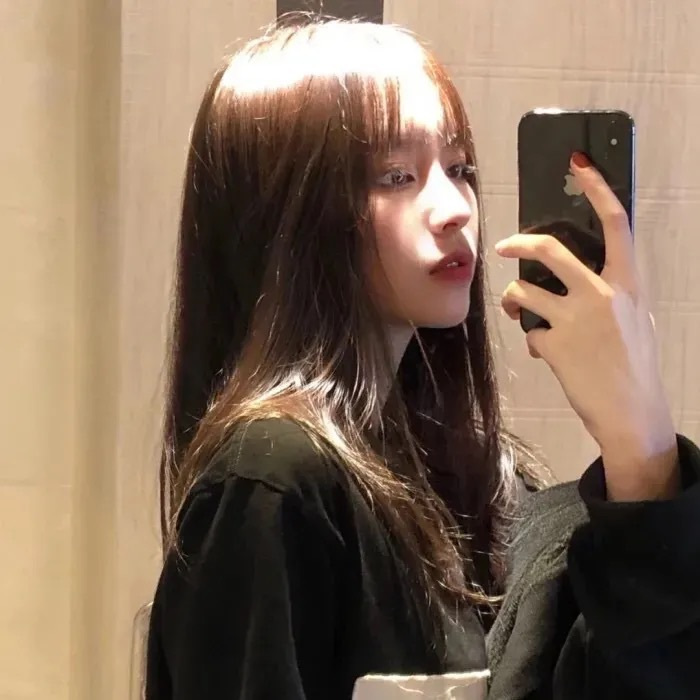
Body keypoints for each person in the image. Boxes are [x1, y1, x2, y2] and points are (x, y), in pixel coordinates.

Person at [144, 14, 700, 700]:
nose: (454, 208)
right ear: (287, 214)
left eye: (460, 168)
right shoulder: (272, 483)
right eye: (397, 175)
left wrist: (640, 445)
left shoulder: (489, 486)